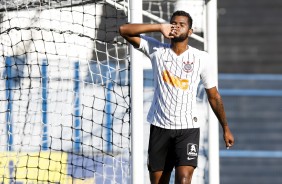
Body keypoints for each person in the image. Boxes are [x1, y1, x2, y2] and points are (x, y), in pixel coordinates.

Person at [119, 10, 234, 184]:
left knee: (184, 179)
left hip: (188, 129)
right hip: (160, 127)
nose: (177, 26)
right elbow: (124, 30)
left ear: (190, 32)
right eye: (174, 23)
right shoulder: (156, 49)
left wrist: (225, 127)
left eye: (182, 24)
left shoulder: (202, 58)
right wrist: (158, 27)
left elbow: (214, 96)